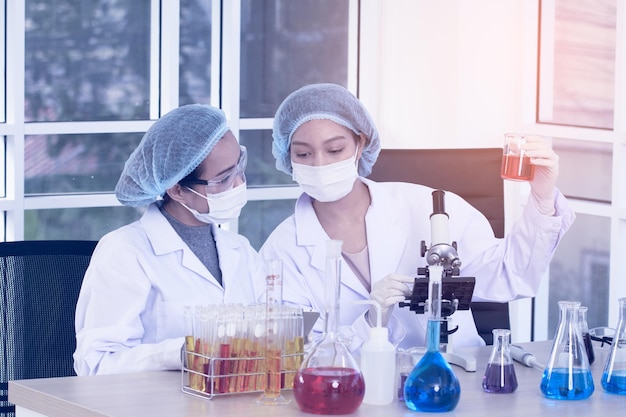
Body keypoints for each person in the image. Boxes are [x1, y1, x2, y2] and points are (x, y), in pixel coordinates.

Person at [260, 83, 575, 352]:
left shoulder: (429, 206)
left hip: (457, 376)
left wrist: (543, 196)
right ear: (287, 157)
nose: (319, 164)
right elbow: (297, 355)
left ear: (361, 143)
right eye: (303, 154)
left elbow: (510, 275)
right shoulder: (281, 251)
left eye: (335, 150)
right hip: (357, 391)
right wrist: (369, 323)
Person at [74, 104, 265, 376]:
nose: (238, 185)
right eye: (223, 179)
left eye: (239, 168)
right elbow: (95, 364)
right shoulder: (126, 251)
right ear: (177, 190)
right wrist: (179, 353)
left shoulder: (241, 251)